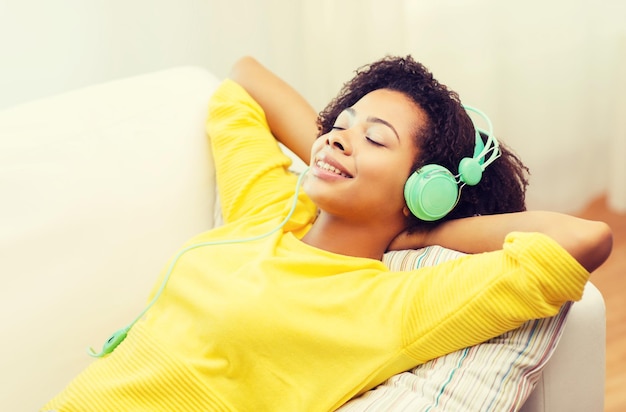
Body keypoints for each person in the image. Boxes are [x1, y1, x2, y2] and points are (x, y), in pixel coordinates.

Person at [42, 55, 612, 412]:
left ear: (424, 189)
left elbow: (582, 240)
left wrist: (424, 229)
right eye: (339, 126)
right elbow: (242, 82)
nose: (338, 138)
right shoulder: (267, 213)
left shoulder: (386, 306)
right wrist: (342, 148)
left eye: (377, 139)